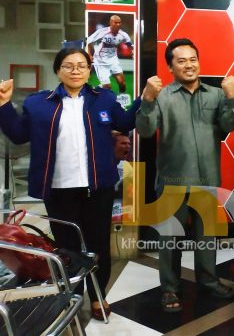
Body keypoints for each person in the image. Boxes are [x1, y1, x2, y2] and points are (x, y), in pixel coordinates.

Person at [0, 47, 139, 320]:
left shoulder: (104, 99)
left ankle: (98, 295)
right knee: (67, 248)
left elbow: (125, 122)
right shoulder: (38, 103)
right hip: (59, 190)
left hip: (98, 188)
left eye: (81, 65)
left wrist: (144, 99)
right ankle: (72, 296)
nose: (75, 70)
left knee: (98, 245)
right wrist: (3, 104)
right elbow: (17, 135)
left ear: (89, 70)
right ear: (58, 70)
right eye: (68, 65)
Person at [136, 38, 234, 312]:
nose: (189, 65)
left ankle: (209, 280)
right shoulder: (161, 96)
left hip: (208, 179)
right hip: (173, 181)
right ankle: (170, 288)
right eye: (181, 61)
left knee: (207, 238)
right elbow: (145, 131)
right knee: (170, 240)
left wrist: (231, 98)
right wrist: (147, 99)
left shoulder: (215, 94)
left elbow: (228, 126)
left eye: (193, 59)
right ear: (171, 67)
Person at [86, 15, 132, 107]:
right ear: (110, 23)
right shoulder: (102, 32)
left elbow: (129, 44)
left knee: (122, 83)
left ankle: (121, 102)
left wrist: (133, 50)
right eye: (116, 22)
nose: (118, 24)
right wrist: (89, 55)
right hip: (100, 62)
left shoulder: (123, 34)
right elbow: (88, 41)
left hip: (113, 61)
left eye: (119, 22)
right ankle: (94, 90)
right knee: (107, 87)